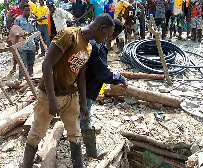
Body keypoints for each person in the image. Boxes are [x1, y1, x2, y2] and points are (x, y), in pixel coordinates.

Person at [22, 13, 115, 168]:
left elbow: (81, 77)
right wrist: (52, 99)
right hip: (49, 93)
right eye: (107, 35)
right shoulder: (69, 35)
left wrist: (84, 103)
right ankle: (26, 165)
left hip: (70, 95)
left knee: (75, 131)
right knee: (37, 132)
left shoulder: (89, 46)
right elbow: (47, 65)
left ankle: (78, 165)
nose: (107, 39)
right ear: (101, 28)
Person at [80, 19, 127, 160]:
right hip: (86, 86)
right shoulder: (98, 44)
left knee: (85, 109)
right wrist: (120, 78)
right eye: (114, 35)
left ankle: (87, 128)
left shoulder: (95, 39)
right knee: (84, 114)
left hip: (85, 84)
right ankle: (91, 150)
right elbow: (101, 73)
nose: (113, 38)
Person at [14, 4, 37, 79]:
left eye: (29, 11)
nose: (28, 12)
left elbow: (35, 31)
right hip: (22, 46)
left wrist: (36, 42)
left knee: (31, 62)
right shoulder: (18, 20)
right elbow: (15, 32)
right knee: (22, 63)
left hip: (31, 45)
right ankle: (21, 78)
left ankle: (30, 77)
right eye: (26, 10)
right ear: (23, 11)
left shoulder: (32, 21)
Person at [7, 0, 29, 75]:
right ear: (20, 1)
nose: (26, 3)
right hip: (15, 33)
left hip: (25, 33)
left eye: (27, 1)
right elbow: (8, 18)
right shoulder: (14, 9)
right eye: (24, 1)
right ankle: (14, 67)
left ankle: (25, 69)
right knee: (15, 50)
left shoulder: (26, 9)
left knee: (25, 50)